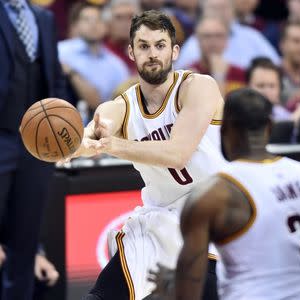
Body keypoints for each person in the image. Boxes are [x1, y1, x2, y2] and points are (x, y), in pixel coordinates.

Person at [73, 10, 225, 300]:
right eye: (143, 46)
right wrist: (70, 146)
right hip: (160, 222)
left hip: (211, 216)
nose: (152, 53)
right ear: (131, 51)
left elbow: (177, 153)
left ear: (175, 50)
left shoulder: (198, 87)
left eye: (160, 45)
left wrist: (111, 145)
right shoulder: (120, 107)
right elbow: (93, 133)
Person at [147, 88, 300, 300]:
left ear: (224, 130)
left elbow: (189, 295)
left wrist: (172, 287)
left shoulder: (214, 196)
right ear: (270, 126)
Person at [0, 0, 66, 299]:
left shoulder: (45, 18)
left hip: (36, 143)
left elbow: (54, 78)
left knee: (24, 245)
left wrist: (64, 130)